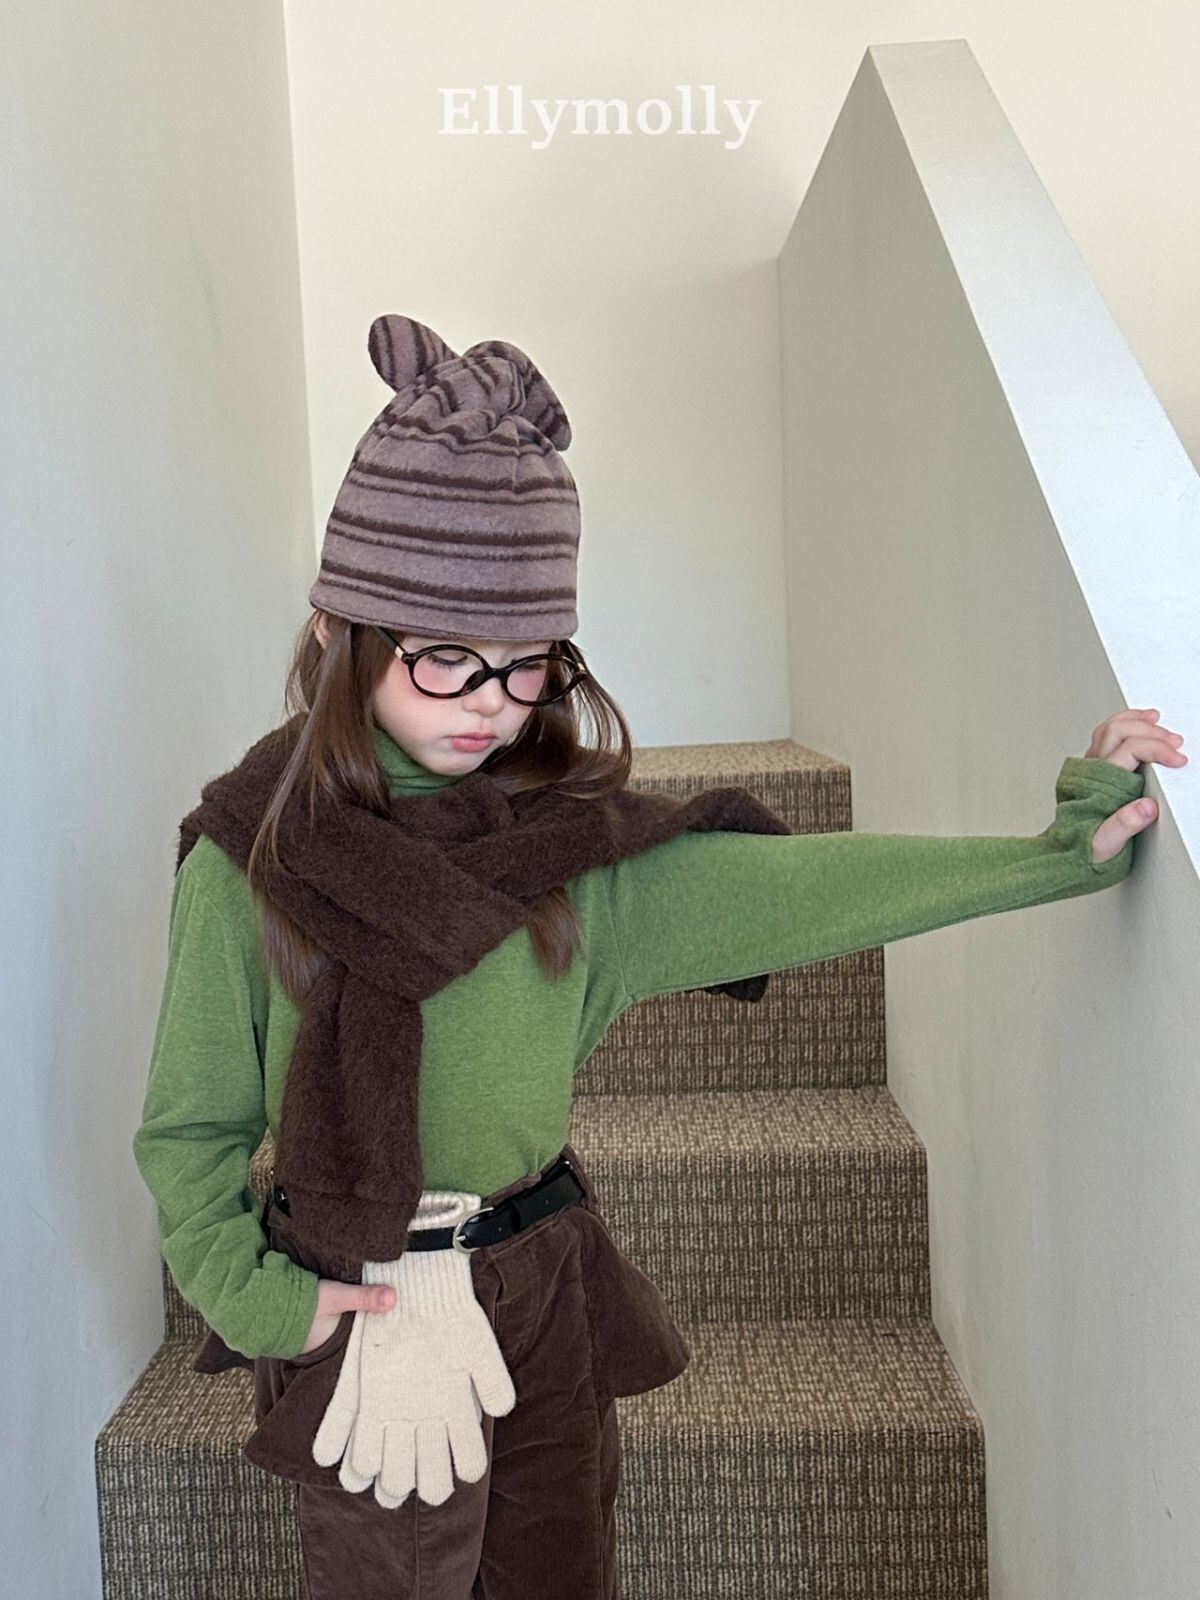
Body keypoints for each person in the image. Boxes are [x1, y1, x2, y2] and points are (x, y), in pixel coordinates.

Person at [131, 313, 1184, 1600]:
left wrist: (1054, 848)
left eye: (527, 666)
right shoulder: (247, 862)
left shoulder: (571, 860)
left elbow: (812, 892)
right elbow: (189, 1131)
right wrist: (268, 1305)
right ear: (336, 633)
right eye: (446, 657)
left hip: (543, 1282)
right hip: (361, 1297)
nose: (489, 701)